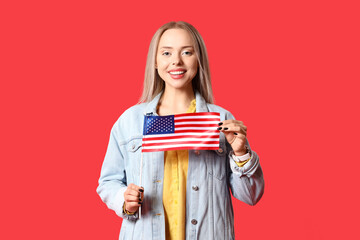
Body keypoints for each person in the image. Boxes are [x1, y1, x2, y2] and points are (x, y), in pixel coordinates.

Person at [96, 21, 264, 240]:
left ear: (198, 60)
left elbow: (250, 195)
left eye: (187, 52)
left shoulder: (222, 120)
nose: (176, 60)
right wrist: (124, 200)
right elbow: (108, 182)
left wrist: (241, 154)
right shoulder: (130, 122)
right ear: (155, 62)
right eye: (166, 52)